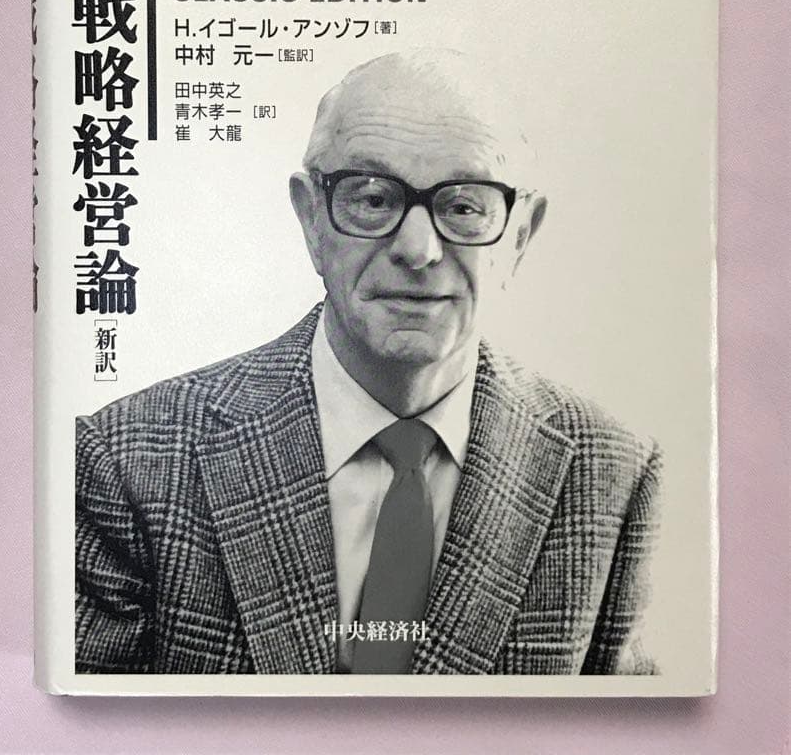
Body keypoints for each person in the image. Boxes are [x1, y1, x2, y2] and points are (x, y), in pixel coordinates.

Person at [76, 50, 661, 676]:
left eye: (464, 207)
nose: (418, 249)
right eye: (374, 199)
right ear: (310, 218)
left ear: (520, 234)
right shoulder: (127, 461)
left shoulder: (613, 473)